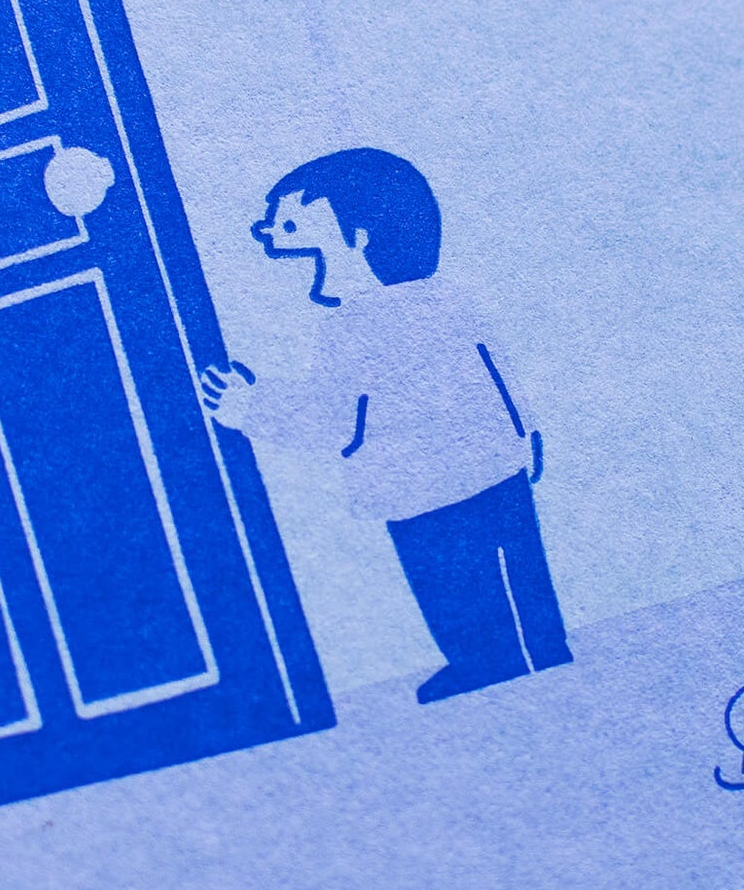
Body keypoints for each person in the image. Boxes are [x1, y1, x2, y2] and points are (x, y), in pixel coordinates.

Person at [202, 148, 572, 704]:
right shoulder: (447, 300)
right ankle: (540, 648)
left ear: (359, 238)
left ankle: (484, 661)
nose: (273, 235)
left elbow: (332, 420)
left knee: (448, 583)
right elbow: (497, 370)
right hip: (495, 463)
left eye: (294, 225)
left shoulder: (352, 327)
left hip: (420, 487)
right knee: (516, 567)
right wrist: (528, 434)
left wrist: (252, 408)